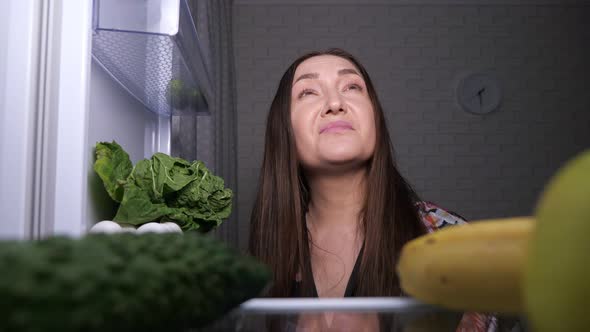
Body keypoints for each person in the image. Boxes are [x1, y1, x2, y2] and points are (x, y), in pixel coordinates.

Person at [248, 48, 496, 331]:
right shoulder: (266, 254)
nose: (335, 103)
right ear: (284, 130)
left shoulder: (447, 237)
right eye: (308, 92)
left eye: (352, 87)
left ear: (376, 119)